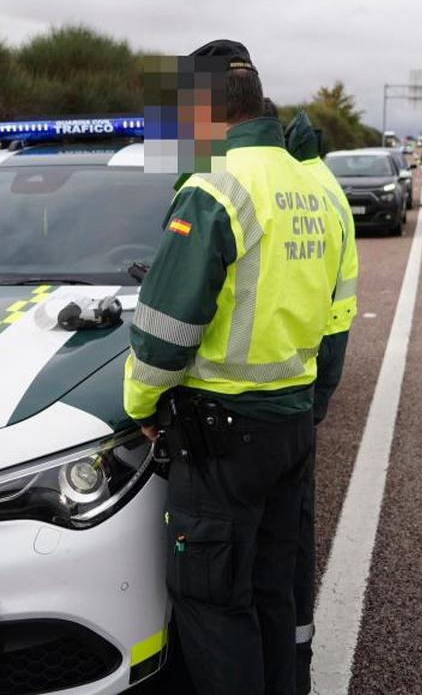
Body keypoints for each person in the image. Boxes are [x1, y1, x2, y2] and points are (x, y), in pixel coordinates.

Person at [124, 39, 343, 694]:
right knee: (273, 590)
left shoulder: (215, 187)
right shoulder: (313, 188)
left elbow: (166, 331)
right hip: (292, 421)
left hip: (222, 436)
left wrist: (139, 406)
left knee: (215, 605)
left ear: (207, 113)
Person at [283, 109, 358, 695]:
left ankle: (290, 648)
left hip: (292, 369)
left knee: (285, 520)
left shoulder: (297, 188)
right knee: (293, 513)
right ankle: (295, 643)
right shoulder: (324, 187)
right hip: (318, 356)